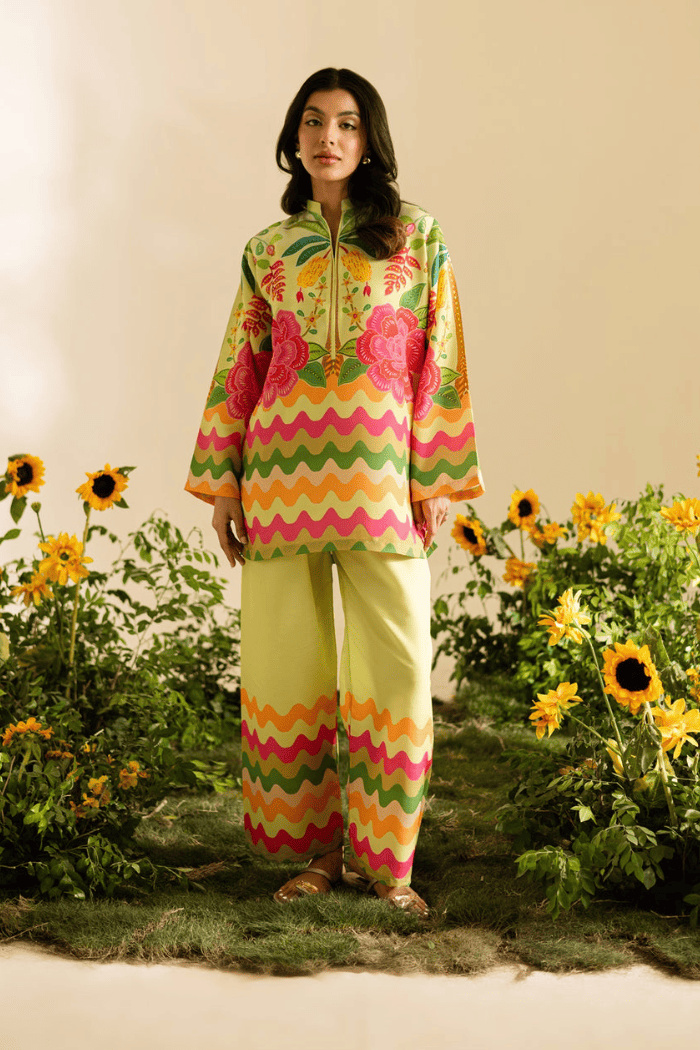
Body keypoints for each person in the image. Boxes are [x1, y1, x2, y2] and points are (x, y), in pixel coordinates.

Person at [185, 68, 484, 916]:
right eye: (314, 123)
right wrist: (223, 486)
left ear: (369, 139)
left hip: (383, 480)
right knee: (288, 668)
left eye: (347, 124)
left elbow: (442, 363)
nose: (329, 138)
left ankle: (386, 863)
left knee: (393, 667)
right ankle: (315, 854)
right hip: (278, 480)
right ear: (295, 137)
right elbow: (238, 369)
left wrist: (437, 479)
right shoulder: (267, 252)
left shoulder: (415, 239)